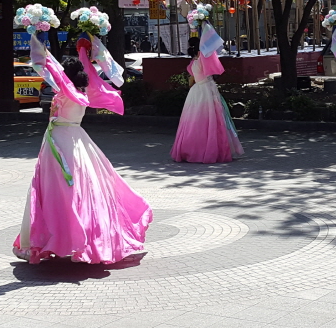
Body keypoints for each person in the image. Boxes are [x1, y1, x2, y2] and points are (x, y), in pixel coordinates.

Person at [15, 36, 152, 264]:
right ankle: (66, 237)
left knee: (65, 189)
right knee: (75, 187)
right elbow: (60, 73)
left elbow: (55, 72)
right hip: (70, 140)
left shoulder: (69, 91)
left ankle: (70, 238)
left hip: (62, 142)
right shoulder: (80, 92)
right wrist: (82, 53)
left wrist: (40, 44)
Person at [171, 36, 243, 163]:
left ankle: (190, 148)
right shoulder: (203, 60)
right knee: (213, 120)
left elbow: (191, 81)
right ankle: (211, 150)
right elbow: (214, 64)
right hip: (207, 89)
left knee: (192, 122)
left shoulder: (192, 63)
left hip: (196, 91)